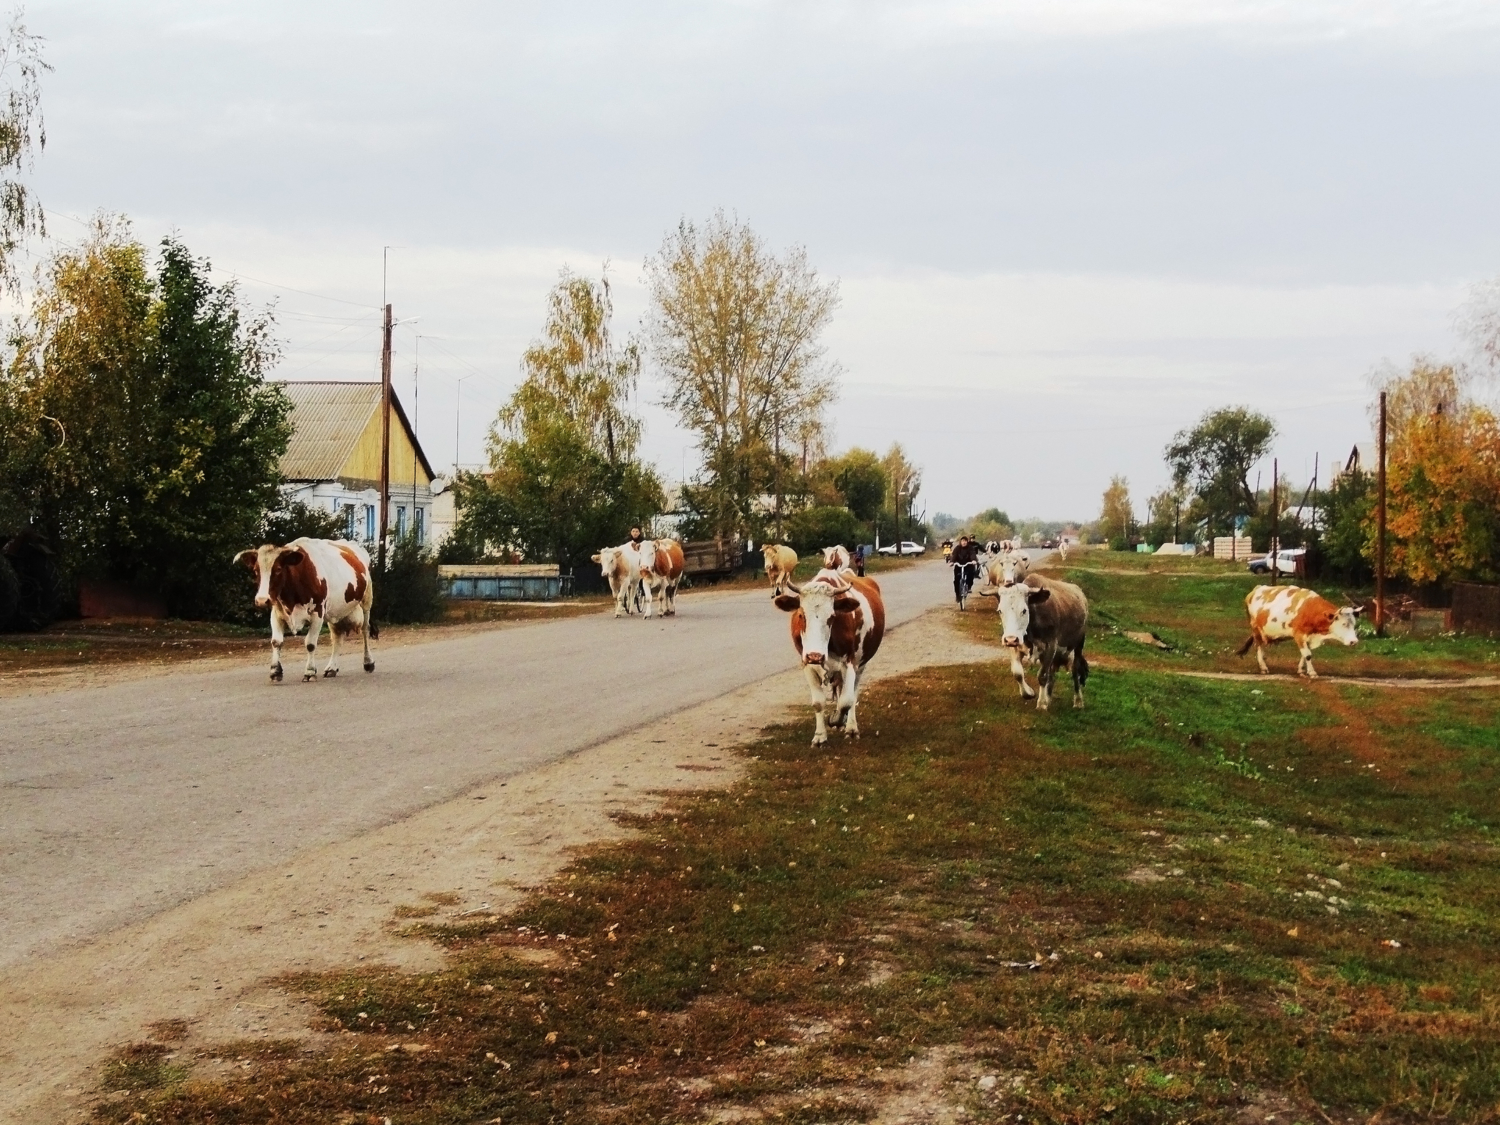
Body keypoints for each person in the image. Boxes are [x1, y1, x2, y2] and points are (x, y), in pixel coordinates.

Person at [949, 534, 980, 606]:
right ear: (960, 542)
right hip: (959, 566)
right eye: (963, 541)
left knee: (971, 574)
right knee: (956, 580)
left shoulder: (970, 548)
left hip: (968, 565)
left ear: (967, 541)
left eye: (965, 541)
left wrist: (973, 560)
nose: (964, 542)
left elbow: (973, 554)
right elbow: (954, 556)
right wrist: (952, 562)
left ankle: (968, 587)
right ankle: (957, 595)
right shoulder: (957, 548)